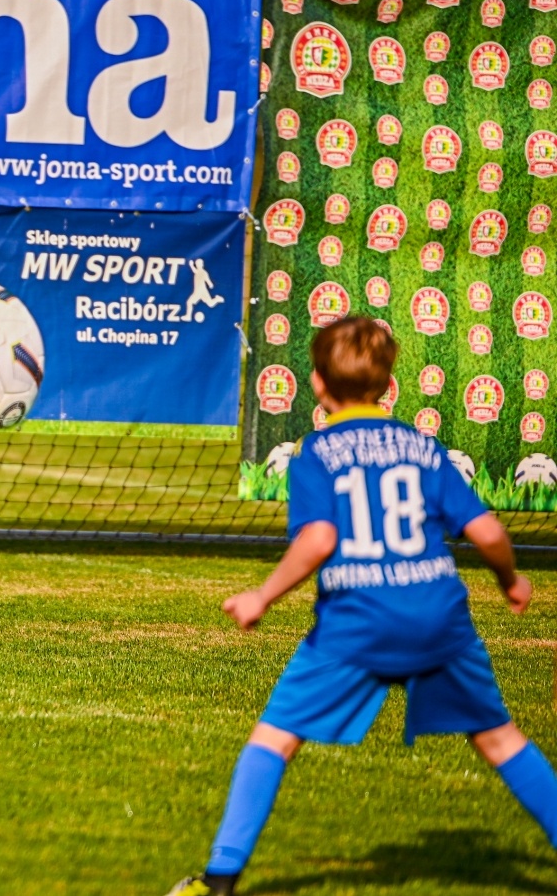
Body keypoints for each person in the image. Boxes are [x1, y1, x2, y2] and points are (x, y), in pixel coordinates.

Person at [169, 316, 557, 896]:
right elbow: (489, 531)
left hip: (357, 621)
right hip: (436, 616)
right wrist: (510, 581)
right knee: (501, 741)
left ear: (318, 384)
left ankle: (219, 880)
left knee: (273, 739)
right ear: (388, 385)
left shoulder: (318, 454)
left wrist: (261, 596)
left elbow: (319, 540)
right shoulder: (424, 449)